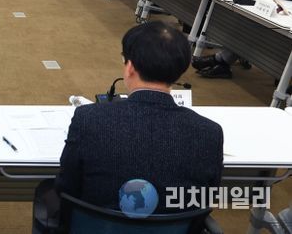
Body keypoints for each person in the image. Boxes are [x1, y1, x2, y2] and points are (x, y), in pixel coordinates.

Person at [51, 22, 223, 215]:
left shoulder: (89, 118)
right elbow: (205, 198)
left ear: (130, 67)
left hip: (98, 226)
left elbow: (67, 187)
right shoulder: (210, 132)